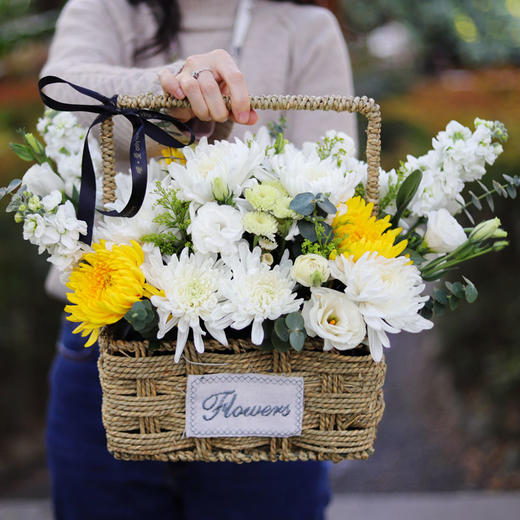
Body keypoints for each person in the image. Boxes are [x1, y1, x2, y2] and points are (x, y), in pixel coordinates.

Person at [41, 1, 357, 518]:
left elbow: (331, 191)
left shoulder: (307, 28)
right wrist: (173, 90)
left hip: (264, 359)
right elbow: (64, 88)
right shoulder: (108, 8)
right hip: (107, 347)